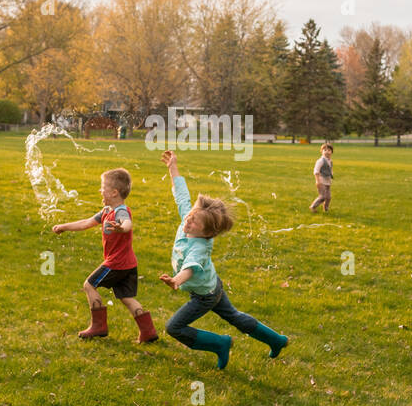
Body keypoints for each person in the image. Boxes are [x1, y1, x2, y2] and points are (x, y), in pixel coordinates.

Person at [158, 150, 287, 369]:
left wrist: (177, 280)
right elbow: (181, 195)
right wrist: (173, 167)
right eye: (190, 216)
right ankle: (277, 340)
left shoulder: (200, 247)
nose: (188, 221)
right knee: (235, 317)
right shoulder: (187, 221)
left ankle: (220, 343)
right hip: (212, 285)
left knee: (174, 327)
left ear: (207, 233)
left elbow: (191, 267)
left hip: (204, 295)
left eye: (194, 222)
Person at [51, 168, 158, 344]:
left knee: (89, 285)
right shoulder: (106, 210)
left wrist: (122, 227)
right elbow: (86, 223)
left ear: (114, 192)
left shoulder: (120, 212)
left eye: (103, 187)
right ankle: (148, 332)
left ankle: (98, 326)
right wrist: (63, 226)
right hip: (128, 263)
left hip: (116, 263)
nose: (100, 191)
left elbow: (128, 223)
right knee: (126, 297)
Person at [309, 142, 334, 212]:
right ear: (321, 151)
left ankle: (326, 208)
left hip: (327, 181)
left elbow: (330, 170)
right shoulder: (320, 161)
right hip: (321, 181)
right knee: (322, 196)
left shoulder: (330, 161)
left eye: (329, 150)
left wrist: (331, 176)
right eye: (325, 150)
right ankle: (313, 206)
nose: (327, 152)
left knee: (328, 197)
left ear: (331, 152)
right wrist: (317, 181)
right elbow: (316, 171)